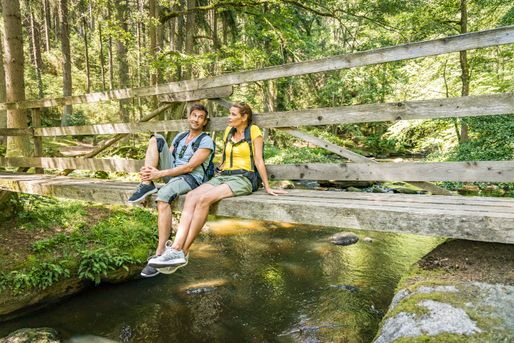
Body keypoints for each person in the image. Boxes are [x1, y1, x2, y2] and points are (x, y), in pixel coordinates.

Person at [147, 102, 287, 270]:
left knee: (204, 199)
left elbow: (258, 160)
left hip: (243, 178)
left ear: (244, 117)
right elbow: (225, 157)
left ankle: (181, 251)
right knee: (192, 196)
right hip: (223, 176)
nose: (229, 117)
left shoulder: (254, 131)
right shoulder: (228, 131)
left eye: (233, 114)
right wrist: (219, 168)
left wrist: (267, 186)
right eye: (230, 113)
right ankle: (174, 248)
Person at [128, 104, 215, 278]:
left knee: (163, 197)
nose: (196, 119)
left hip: (191, 179)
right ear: (189, 117)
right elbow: (166, 155)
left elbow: (190, 167)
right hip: (173, 174)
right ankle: (146, 183)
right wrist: (150, 172)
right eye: (194, 115)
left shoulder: (206, 141)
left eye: (200, 117)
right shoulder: (181, 136)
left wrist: (159, 173)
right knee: (156, 138)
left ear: (205, 122)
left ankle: (160, 252)